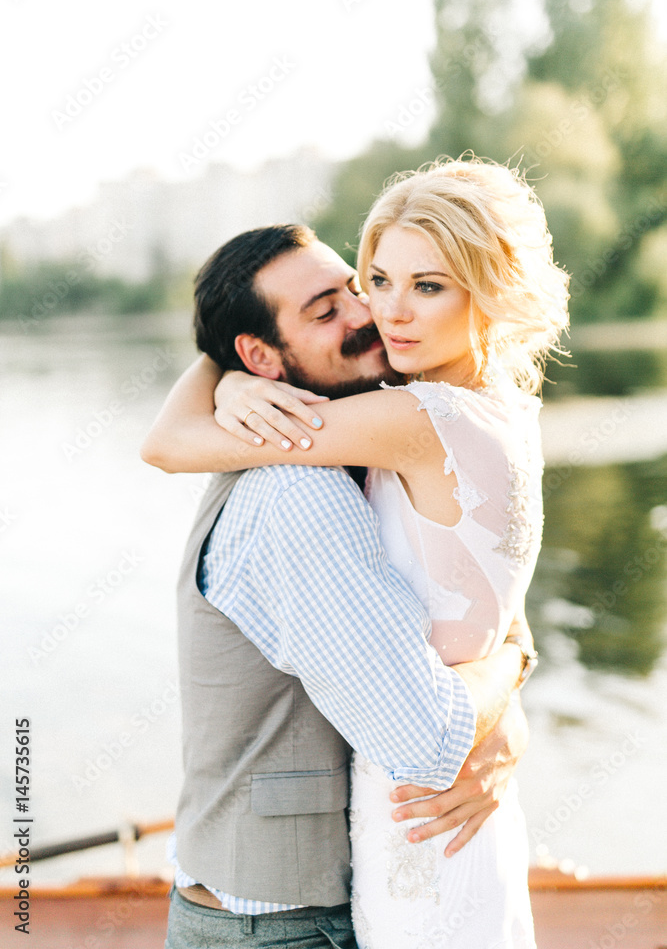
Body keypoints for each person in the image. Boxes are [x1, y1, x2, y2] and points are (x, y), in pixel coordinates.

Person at [143, 158, 562, 948]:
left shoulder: (403, 419)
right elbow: (467, 588)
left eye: (422, 286)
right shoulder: (316, 470)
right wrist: (508, 676)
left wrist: (228, 378)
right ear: (261, 354)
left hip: (394, 836)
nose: (378, 314)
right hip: (286, 907)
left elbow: (166, 443)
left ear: (483, 289)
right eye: (366, 286)